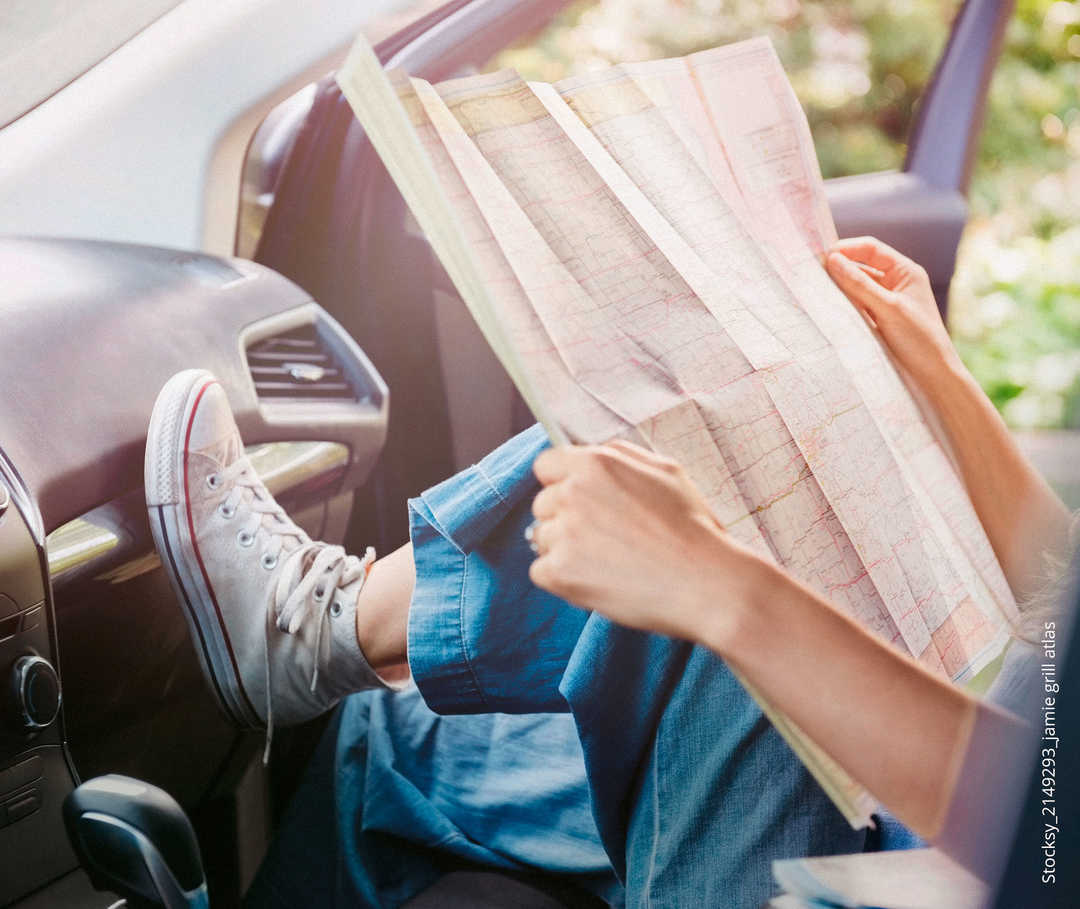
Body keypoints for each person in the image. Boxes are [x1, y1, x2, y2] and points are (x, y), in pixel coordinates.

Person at [143, 236, 1062, 908]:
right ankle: (325, 643)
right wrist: (939, 375)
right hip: (934, 833)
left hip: (941, 868)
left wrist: (723, 585)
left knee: (735, 556)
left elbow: (1041, 826)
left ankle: (323, 627)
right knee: (397, 734)